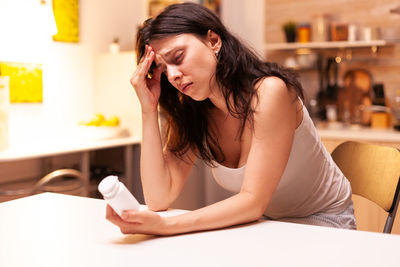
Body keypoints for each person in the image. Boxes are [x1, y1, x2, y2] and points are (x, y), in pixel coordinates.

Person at [106, 2, 356, 236]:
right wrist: (148, 109)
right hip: (267, 225)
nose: (173, 75)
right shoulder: (193, 110)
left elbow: (252, 202)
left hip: (324, 222)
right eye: (163, 69)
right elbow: (158, 198)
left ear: (213, 40)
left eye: (178, 57)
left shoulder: (270, 93)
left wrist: (166, 225)